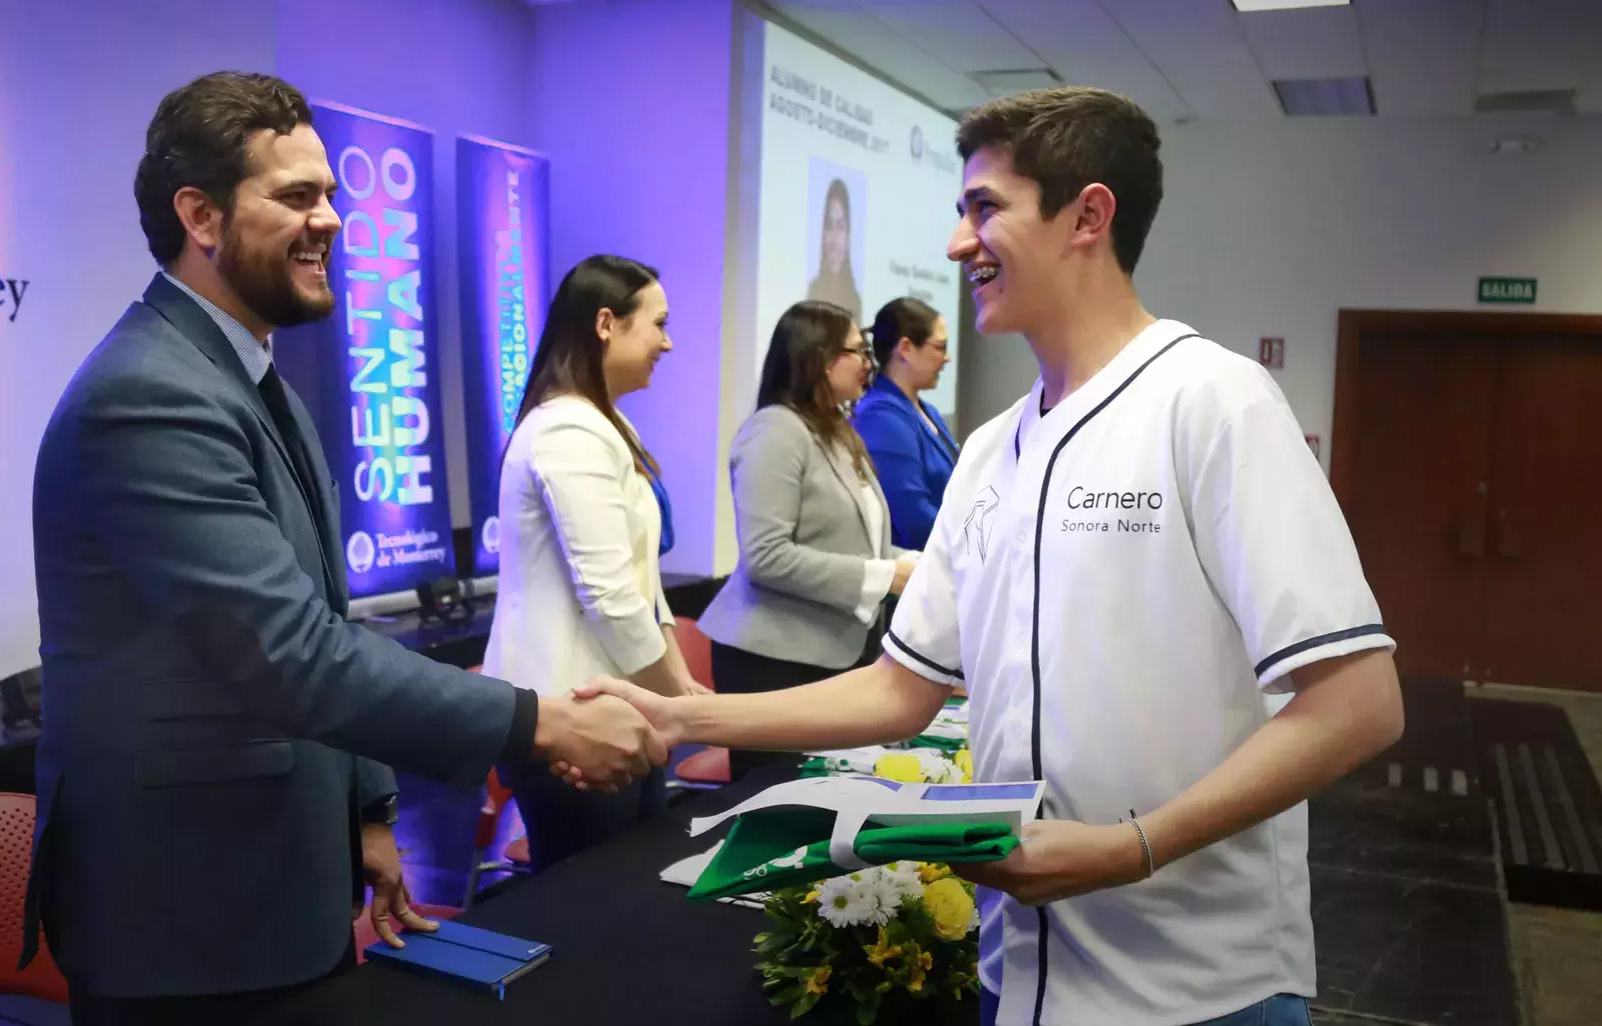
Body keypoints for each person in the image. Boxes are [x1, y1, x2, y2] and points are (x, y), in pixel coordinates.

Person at [572, 87, 1405, 1026]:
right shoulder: (991, 449)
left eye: (985, 209)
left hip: (1199, 988)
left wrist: (1128, 848)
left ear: (1089, 215)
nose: (958, 244)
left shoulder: (1214, 403)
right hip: (1020, 975)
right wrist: (686, 716)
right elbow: (901, 691)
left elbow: (1358, 703)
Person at [21, 72, 664, 1025]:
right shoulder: (150, 398)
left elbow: (318, 612)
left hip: (280, 874)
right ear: (198, 215)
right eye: (295, 197)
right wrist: (543, 724)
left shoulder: (248, 375)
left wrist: (364, 810)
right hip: (187, 915)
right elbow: (288, 654)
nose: (331, 220)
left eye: (330, 193)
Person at [480, 254, 706, 871]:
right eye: (657, 323)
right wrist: (680, 701)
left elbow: (642, 582)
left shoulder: (606, 423)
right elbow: (608, 594)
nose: (668, 341)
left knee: (632, 878)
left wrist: (677, 685)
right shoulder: (567, 430)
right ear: (607, 322)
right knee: (594, 892)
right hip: (568, 707)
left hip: (619, 701)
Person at [697, 300, 917, 779]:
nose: (869, 364)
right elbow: (767, 556)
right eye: (857, 352)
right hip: (772, 662)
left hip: (830, 656)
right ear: (818, 357)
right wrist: (886, 576)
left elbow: (862, 544)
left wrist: (919, 565)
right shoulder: (775, 431)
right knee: (778, 811)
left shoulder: (836, 430)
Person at [853, 297, 960, 550]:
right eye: (940, 347)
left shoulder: (928, 411)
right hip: (912, 576)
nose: (947, 358)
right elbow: (913, 519)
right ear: (906, 349)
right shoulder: (879, 417)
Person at [806, 177, 862, 318]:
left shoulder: (855, 299)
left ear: (848, 234)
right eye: (829, 226)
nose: (834, 239)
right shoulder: (813, 290)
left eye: (840, 226)